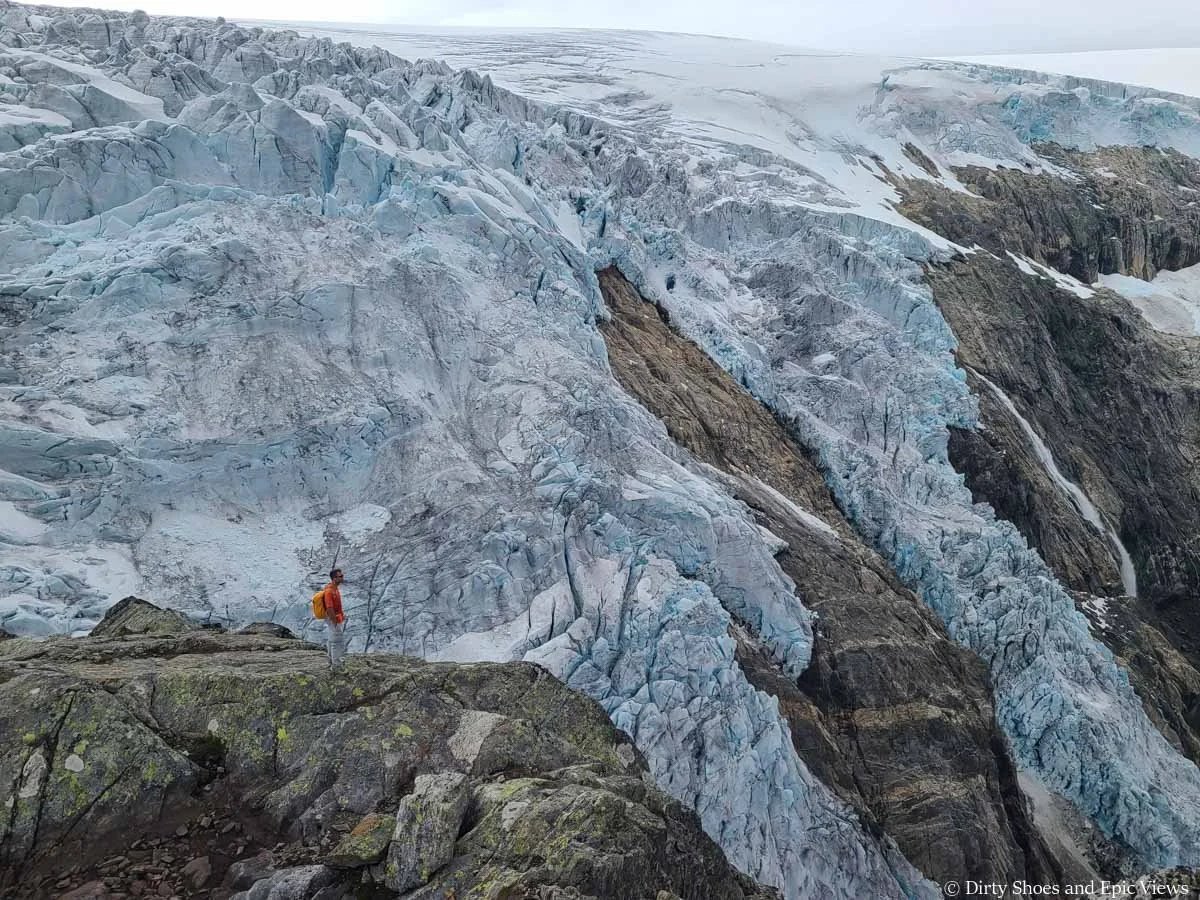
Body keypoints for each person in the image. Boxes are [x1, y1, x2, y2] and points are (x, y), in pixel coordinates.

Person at [321, 568, 347, 671]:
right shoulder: (329, 591)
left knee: (332, 640)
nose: (342, 578)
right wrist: (335, 622)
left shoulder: (334, 589)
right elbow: (329, 608)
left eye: (342, 576)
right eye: (340, 576)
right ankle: (336, 666)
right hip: (333, 619)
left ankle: (331, 661)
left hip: (336, 618)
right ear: (334, 578)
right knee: (337, 641)